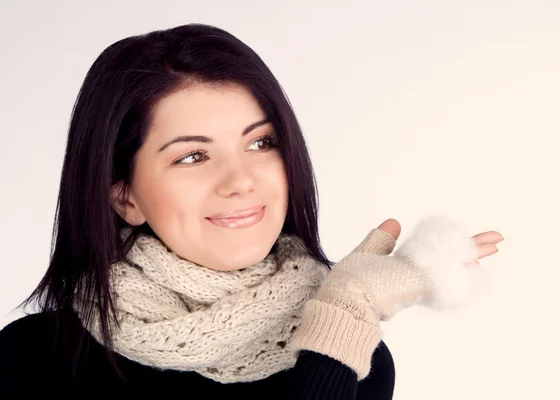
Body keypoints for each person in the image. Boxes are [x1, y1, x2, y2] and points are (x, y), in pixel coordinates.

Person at [0, 23, 503, 399]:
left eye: (262, 142)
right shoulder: (32, 362)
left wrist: (340, 319)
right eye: (192, 155)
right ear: (124, 196)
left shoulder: (353, 354)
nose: (241, 180)